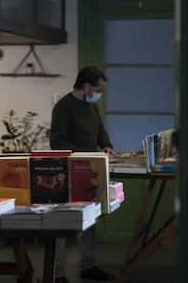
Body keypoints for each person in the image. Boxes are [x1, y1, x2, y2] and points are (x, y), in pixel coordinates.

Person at [50, 66, 116, 283]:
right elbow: (57, 140)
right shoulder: (63, 107)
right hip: (68, 171)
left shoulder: (92, 106)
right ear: (86, 86)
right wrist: (78, 156)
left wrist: (105, 145)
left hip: (90, 169)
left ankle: (88, 265)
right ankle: (57, 272)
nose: (99, 93)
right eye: (98, 88)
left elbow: (100, 130)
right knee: (61, 222)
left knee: (91, 218)